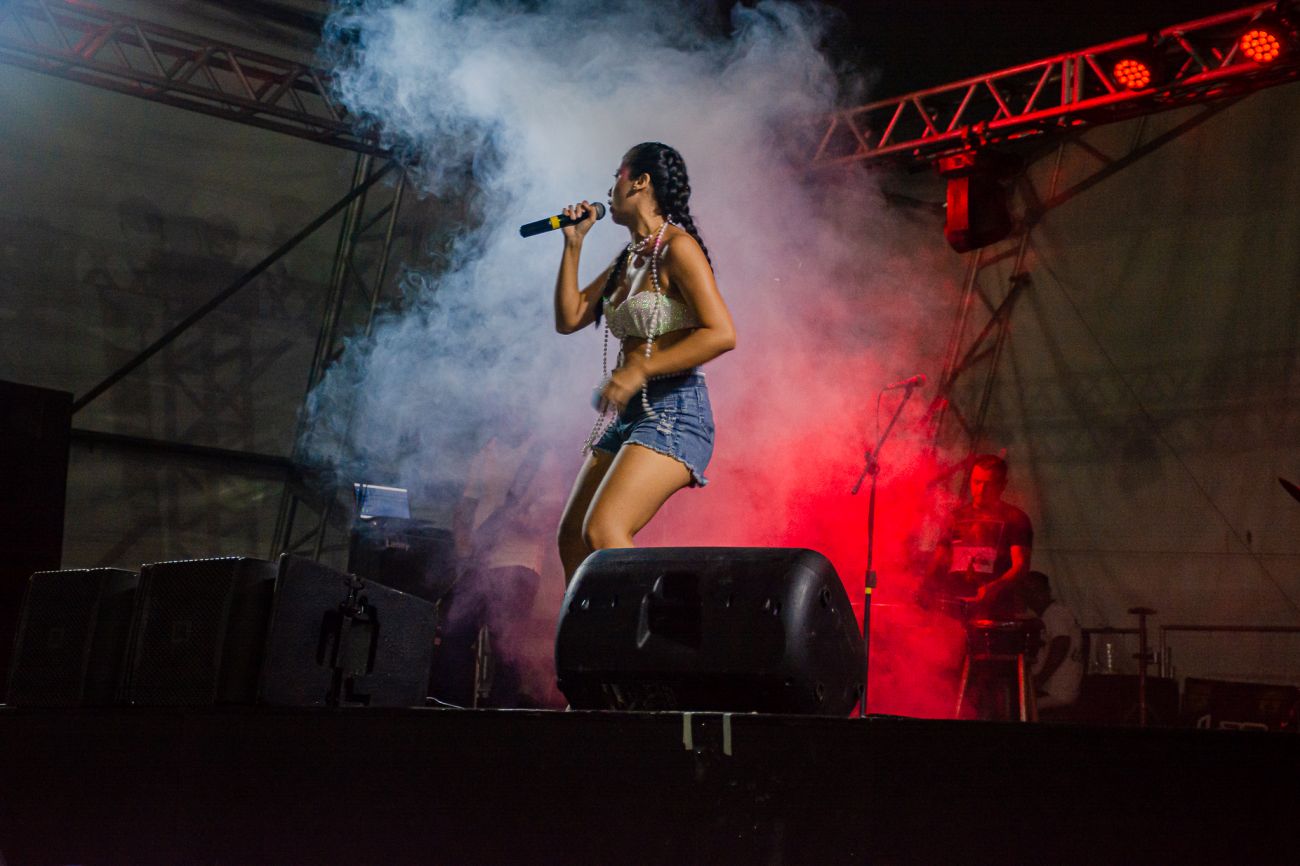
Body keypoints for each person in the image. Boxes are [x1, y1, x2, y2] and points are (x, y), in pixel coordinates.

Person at [553, 142, 736, 584]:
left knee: (603, 529)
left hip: (676, 411)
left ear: (640, 181)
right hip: (630, 415)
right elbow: (570, 317)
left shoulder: (678, 248)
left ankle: (656, 624)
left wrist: (640, 369)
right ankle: (593, 629)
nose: (609, 189)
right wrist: (574, 244)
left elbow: (721, 333)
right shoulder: (628, 258)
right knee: (572, 539)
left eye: (616, 176)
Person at [925, 453, 1033, 621]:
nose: (981, 490)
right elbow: (939, 559)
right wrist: (924, 586)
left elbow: (1020, 565)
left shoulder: (1015, 518)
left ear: (1002, 485)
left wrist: (993, 587)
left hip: (995, 611)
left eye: (988, 484)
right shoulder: (955, 517)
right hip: (953, 608)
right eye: (977, 482)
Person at [1021, 570, 1083, 718]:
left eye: (1036, 590)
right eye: (1028, 591)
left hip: (1056, 690)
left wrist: (1040, 679)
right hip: (1057, 688)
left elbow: (1061, 644)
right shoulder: (1051, 614)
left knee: (1015, 707)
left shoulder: (1055, 614)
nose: (1033, 596)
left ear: (1047, 591)